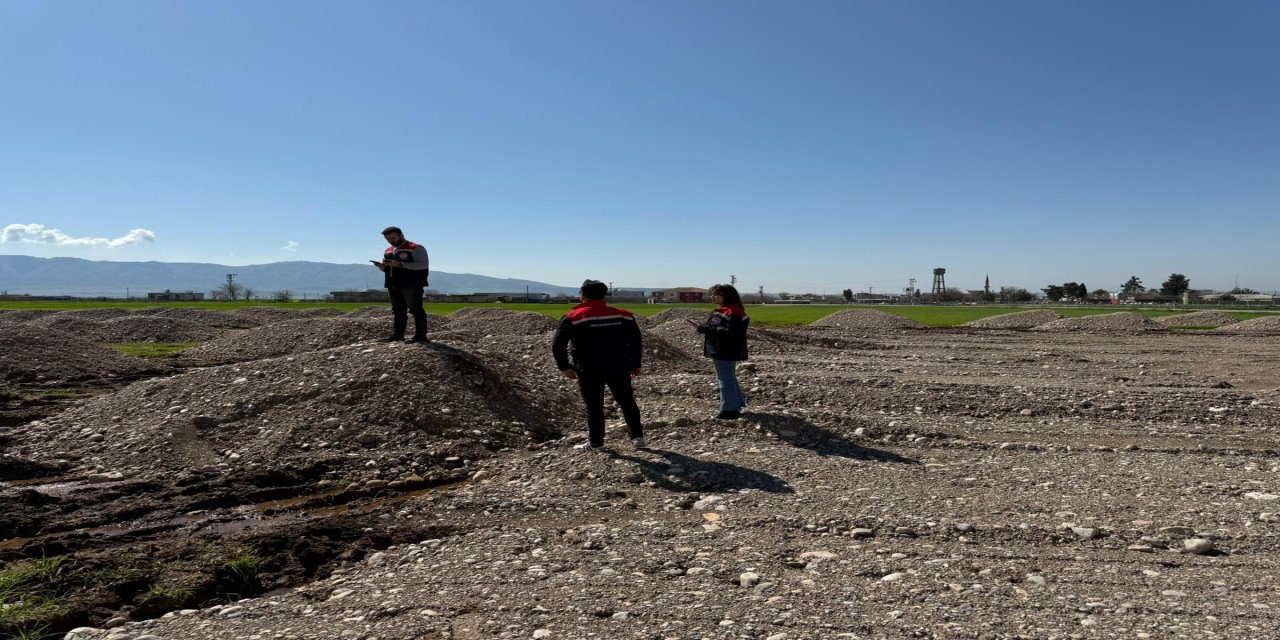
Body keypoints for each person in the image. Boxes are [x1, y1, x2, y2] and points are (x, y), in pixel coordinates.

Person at [551, 279, 646, 450]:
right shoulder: (623, 314)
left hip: (588, 368)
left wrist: (564, 367)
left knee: (594, 405)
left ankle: (596, 442)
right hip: (619, 365)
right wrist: (636, 363)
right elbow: (635, 340)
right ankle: (638, 437)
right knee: (626, 400)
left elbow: (558, 345)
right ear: (604, 295)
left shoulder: (573, 317)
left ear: (583, 295)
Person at [695, 284, 750, 419]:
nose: (712, 297)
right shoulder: (724, 311)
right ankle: (736, 405)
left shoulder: (733, 312)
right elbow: (719, 328)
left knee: (725, 380)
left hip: (725, 350)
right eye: (712, 294)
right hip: (720, 349)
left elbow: (728, 332)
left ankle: (729, 410)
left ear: (727, 296)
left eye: (716, 294)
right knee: (729, 378)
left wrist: (704, 329)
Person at [371, 226, 430, 343]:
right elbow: (389, 268)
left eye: (393, 238)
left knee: (416, 309)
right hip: (392, 283)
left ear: (401, 235)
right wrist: (382, 267)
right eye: (388, 239)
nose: (390, 241)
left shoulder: (416, 248)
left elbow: (423, 265)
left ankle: (421, 336)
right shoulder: (388, 251)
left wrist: (401, 264)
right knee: (398, 311)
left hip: (411, 283)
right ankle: (398, 335)